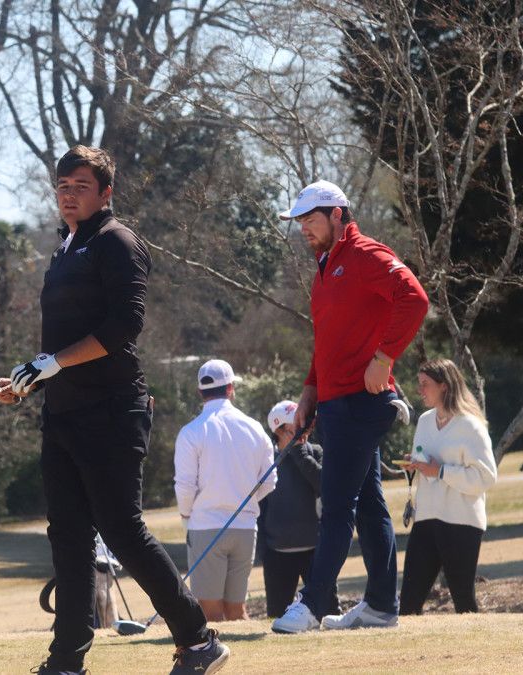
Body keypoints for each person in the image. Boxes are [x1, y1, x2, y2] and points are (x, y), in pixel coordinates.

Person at [0, 146, 228, 675]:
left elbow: (123, 328)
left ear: (105, 192)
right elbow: (60, 348)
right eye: (61, 186)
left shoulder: (117, 242)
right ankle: (66, 660)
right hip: (64, 414)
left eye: (79, 186)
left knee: (122, 530)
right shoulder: (66, 248)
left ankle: (198, 641)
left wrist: (51, 364)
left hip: (112, 411)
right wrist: (28, 380)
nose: (68, 195)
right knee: (69, 535)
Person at [271, 180, 429, 633]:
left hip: (362, 403)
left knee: (337, 504)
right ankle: (380, 605)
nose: (303, 227)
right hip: (336, 403)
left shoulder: (364, 255)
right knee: (369, 506)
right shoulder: (325, 268)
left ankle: (314, 603)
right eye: (300, 221)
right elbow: (329, 343)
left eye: (311, 218)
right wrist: (308, 391)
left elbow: (415, 298)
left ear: (337, 214)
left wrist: (384, 358)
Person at [174, 359, 276, 622]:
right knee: (237, 610)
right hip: (245, 529)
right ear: (231, 388)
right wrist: (246, 502)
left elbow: (184, 487)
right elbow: (269, 480)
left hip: (205, 527)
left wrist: (187, 517)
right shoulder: (255, 428)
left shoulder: (191, 432)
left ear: (200, 392)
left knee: (210, 612)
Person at [398, 358, 498, 614]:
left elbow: (486, 478)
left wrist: (441, 471)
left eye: (425, 384)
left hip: (461, 521)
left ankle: (475, 652)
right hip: (426, 518)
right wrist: (416, 466)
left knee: (464, 600)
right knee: (408, 601)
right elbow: (427, 464)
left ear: (443, 386)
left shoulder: (471, 426)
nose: (419, 390)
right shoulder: (424, 421)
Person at [257, 400, 339, 619]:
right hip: (277, 554)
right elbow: (260, 507)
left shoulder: (317, 452)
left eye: (305, 424)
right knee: (277, 616)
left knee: (328, 611)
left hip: (316, 551)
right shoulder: (267, 461)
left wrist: (300, 454)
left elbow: (325, 486)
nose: (305, 430)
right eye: (296, 426)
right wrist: (263, 550)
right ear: (279, 431)